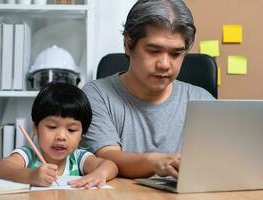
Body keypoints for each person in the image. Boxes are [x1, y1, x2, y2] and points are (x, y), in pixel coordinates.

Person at [80, 0, 215, 179]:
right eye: (153, 51)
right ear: (128, 45)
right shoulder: (97, 95)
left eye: (176, 54)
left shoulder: (202, 100)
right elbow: (106, 157)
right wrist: (154, 162)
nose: (165, 64)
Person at [0, 82, 118, 188]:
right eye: (52, 127)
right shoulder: (28, 155)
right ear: (35, 128)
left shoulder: (78, 158)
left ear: (82, 134)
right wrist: (31, 175)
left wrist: (99, 174)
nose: (61, 136)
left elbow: (110, 165)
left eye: (72, 130)